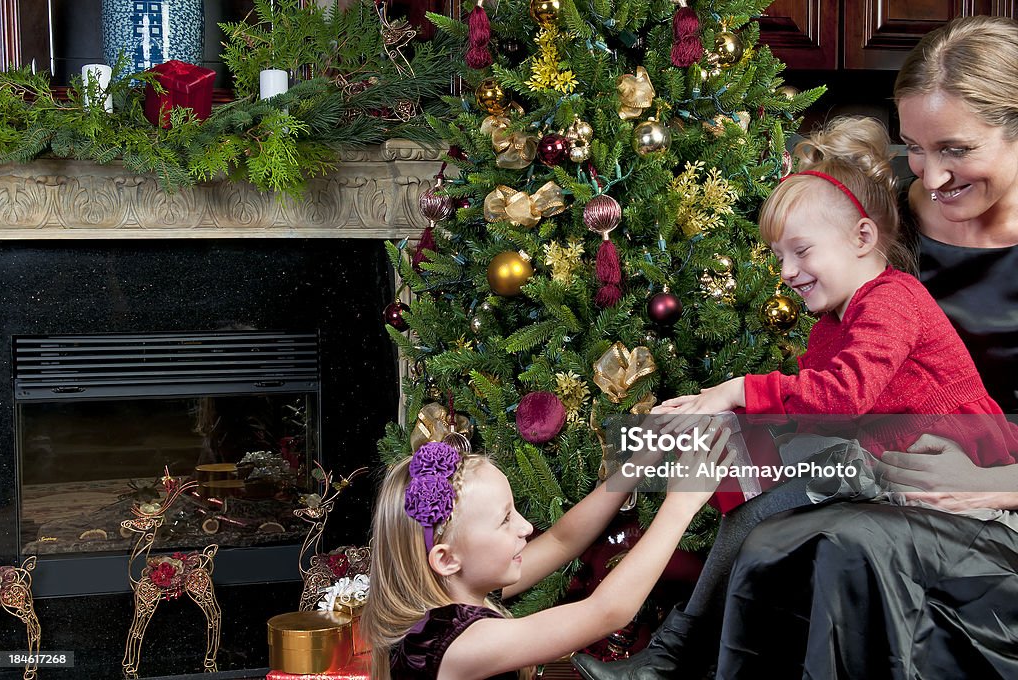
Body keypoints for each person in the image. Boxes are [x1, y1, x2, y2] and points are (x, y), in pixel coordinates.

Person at [572, 115, 1018, 680]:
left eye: (801, 251)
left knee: (789, 476)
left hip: (960, 473)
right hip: (887, 462)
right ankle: (671, 655)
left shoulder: (892, 300)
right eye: (779, 256)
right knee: (756, 509)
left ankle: (673, 656)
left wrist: (736, 393)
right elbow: (808, 416)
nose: (786, 271)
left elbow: (840, 399)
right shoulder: (833, 321)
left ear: (862, 238)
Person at [712, 15, 1018, 678]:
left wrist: (1003, 480)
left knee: (849, 546)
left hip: (996, 504)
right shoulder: (877, 221)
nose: (931, 177)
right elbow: (842, 379)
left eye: (956, 150)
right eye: (915, 147)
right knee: (772, 534)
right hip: (894, 477)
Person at [361, 421, 730, 680]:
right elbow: (608, 612)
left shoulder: (455, 593)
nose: (524, 528)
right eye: (505, 520)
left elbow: (561, 540)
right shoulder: (456, 643)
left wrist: (637, 465)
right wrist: (682, 504)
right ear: (446, 559)